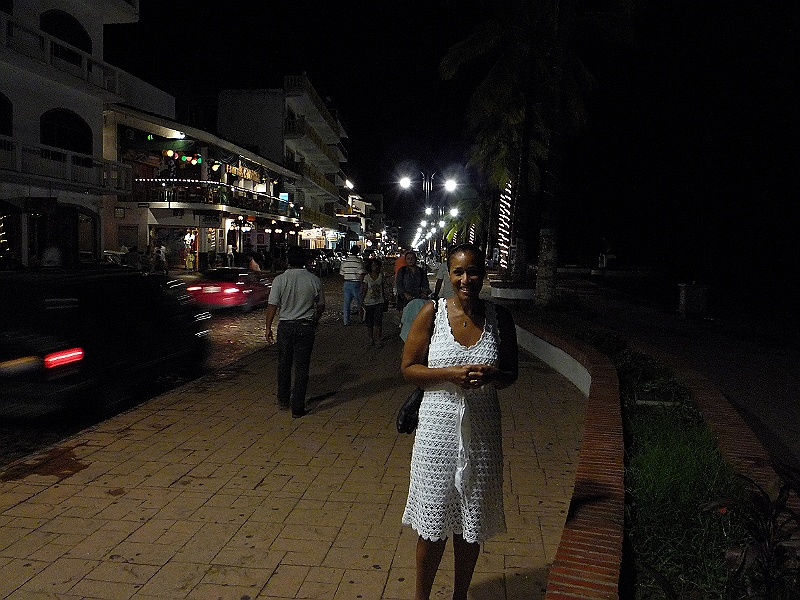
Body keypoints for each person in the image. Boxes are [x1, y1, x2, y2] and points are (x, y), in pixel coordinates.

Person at [400, 243, 519, 600]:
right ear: (449, 274)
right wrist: (450, 374)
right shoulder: (431, 313)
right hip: (436, 433)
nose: (467, 279)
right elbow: (408, 369)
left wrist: (493, 375)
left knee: (471, 524)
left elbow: (511, 375)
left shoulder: (500, 318)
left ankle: (459, 596)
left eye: (474, 271)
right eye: (459, 272)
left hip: (482, 432)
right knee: (432, 524)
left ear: (483, 273)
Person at [264, 246, 326, 418]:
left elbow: (272, 305)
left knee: (284, 364)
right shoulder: (314, 280)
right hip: (306, 327)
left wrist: (268, 327)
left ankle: (283, 398)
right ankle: (298, 406)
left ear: (287, 260)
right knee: (302, 367)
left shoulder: (280, 280)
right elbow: (321, 305)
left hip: (285, 327)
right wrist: (315, 319)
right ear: (305, 260)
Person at [361, 258, 388, 347]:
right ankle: (371, 338)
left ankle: (377, 339)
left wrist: (385, 299)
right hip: (369, 302)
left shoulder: (381, 276)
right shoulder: (367, 277)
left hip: (379, 302)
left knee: (378, 322)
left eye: (376, 265)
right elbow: (364, 290)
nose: (374, 267)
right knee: (370, 322)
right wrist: (361, 301)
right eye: (373, 265)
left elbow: (383, 289)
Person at [339, 245, 366, 326]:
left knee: (346, 304)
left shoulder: (345, 262)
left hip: (346, 283)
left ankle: (346, 321)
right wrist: (362, 283)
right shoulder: (359, 262)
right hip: (356, 283)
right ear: (357, 252)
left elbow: (341, 274)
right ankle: (361, 319)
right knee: (360, 302)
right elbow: (361, 274)